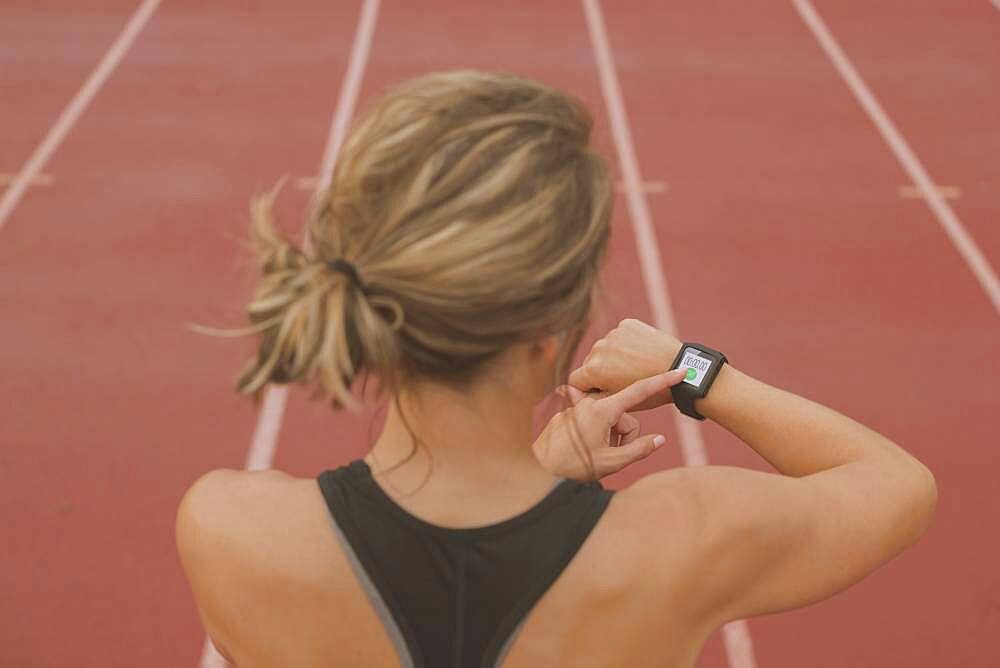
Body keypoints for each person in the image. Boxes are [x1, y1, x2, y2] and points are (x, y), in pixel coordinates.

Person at [176, 70, 937, 667]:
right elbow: (898, 484)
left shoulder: (233, 532)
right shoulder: (682, 542)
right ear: (553, 329)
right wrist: (695, 371)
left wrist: (536, 476)